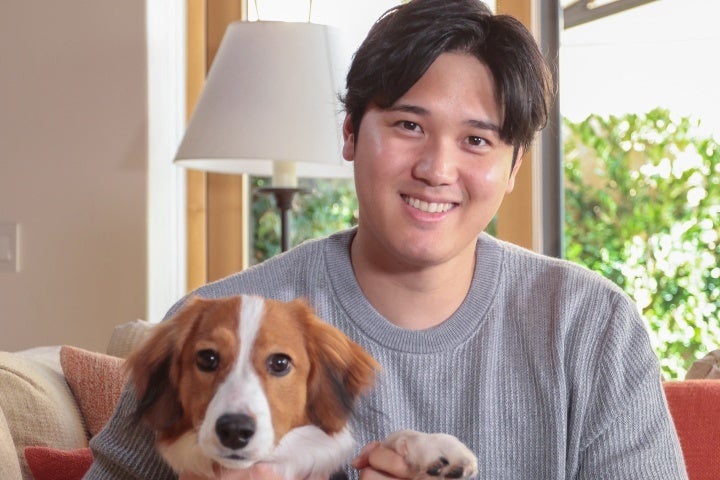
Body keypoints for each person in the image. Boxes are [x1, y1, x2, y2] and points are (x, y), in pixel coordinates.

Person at [84, 0, 688, 478]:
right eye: (408, 124)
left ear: (514, 166)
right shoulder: (210, 323)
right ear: (349, 132)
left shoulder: (592, 326)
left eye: (476, 140)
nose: (436, 168)